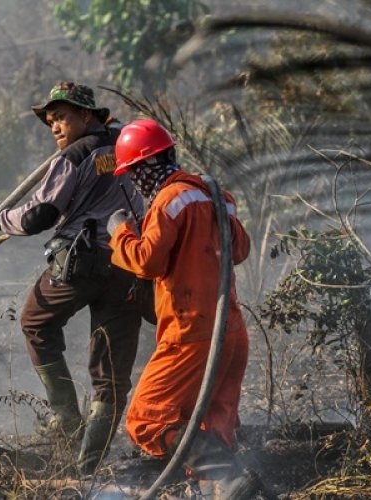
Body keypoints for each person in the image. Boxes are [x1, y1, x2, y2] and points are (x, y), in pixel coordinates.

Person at [0, 82, 145, 474]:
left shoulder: (74, 156)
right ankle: (87, 469)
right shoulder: (127, 140)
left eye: (61, 116)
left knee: (35, 321)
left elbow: (39, 216)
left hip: (80, 262)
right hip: (131, 262)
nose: (55, 127)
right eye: (50, 121)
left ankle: (65, 420)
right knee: (111, 372)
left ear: (86, 115)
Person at [106, 119, 259, 497]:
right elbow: (240, 250)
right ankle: (229, 489)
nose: (135, 183)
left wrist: (120, 232)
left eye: (133, 173)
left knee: (146, 418)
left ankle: (228, 476)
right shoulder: (218, 195)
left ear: (144, 167)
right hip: (232, 332)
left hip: (191, 333)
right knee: (212, 425)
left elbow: (147, 261)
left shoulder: (169, 199)